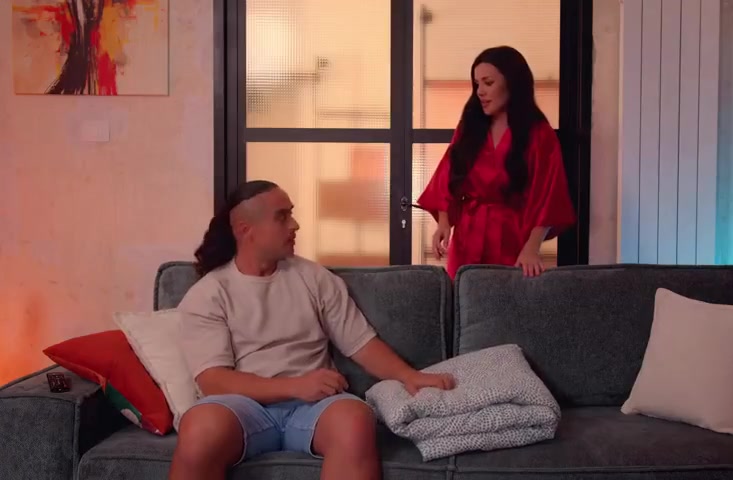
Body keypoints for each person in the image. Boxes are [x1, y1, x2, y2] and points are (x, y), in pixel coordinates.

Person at [169, 180, 455, 480]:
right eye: (282, 217)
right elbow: (214, 380)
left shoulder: (314, 278)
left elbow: (360, 343)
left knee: (355, 420)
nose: (294, 225)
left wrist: (409, 376)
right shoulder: (209, 294)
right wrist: (295, 386)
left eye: (291, 214)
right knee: (200, 427)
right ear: (245, 230)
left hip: (315, 407)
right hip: (243, 408)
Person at [417, 46, 577, 280]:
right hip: (468, 237)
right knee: (462, 297)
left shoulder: (540, 134)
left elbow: (548, 195)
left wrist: (532, 248)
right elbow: (447, 175)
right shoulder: (470, 128)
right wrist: (443, 222)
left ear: (512, 83)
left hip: (512, 236)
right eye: (476, 84)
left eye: (488, 83)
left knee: (506, 297)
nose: (480, 91)